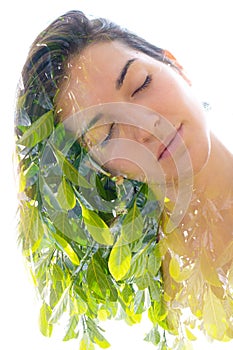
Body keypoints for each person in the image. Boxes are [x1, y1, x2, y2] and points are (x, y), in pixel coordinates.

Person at [15, 10, 233, 348]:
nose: (144, 127)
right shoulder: (148, 292)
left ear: (176, 65)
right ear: (102, 168)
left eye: (140, 84)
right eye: (108, 133)